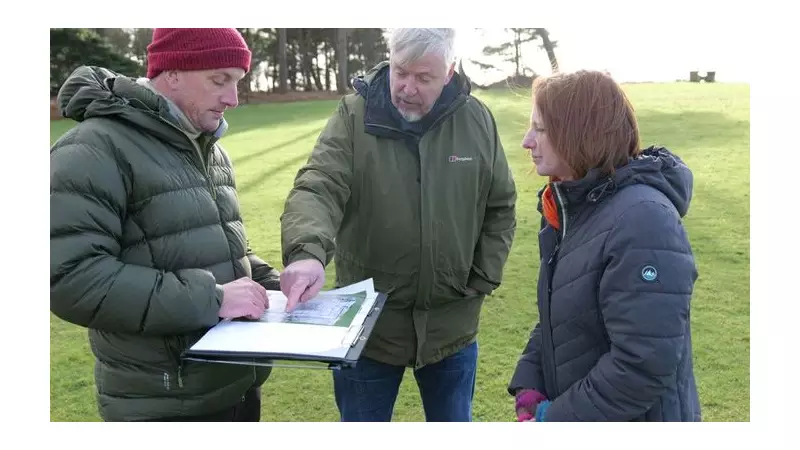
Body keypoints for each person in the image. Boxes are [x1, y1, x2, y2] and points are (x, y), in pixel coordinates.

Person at [279, 28, 517, 422]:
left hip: (451, 327)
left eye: (424, 78)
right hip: (369, 328)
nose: (407, 87)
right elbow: (318, 186)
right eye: (401, 72)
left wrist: (484, 273)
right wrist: (307, 252)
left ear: (450, 71)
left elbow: (501, 204)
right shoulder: (353, 115)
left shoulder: (476, 120)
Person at [50, 28, 279, 422]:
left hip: (236, 387)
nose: (233, 98)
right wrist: (215, 298)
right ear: (172, 73)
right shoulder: (93, 148)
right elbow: (69, 277)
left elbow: (215, 244)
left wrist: (271, 283)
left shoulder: (209, 148)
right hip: (163, 403)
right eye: (219, 80)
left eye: (237, 82)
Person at [508, 69, 701, 422]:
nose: (526, 141)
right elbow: (560, 316)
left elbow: (642, 364)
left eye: (541, 129)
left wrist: (555, 419)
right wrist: (529, 384)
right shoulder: (570, 206)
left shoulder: (643, 221)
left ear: (579, 133)